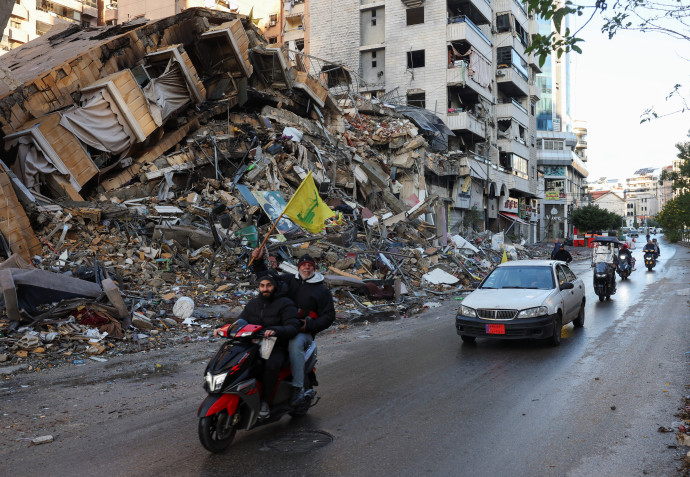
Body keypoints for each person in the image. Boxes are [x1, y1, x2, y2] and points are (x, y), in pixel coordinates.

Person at [252, 247, 335, 406]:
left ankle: (298, 389)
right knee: (261, 347)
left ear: (314, 268)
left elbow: (329, 316)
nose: (307, 268)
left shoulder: (322, 290)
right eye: (304, 265)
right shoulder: (289, 280)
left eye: (310, 265)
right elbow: (269, 278)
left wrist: (309, 325)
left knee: (294, 343)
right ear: (299, 267)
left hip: (302, 332)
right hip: (282, 326)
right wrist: (258, 261)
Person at [214, 271, 299, 418]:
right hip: (254, 344)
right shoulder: (254, 304)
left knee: (271, 365)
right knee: (235, 359)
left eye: (269, 285)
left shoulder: (286, 304)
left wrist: (275, 330)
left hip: (277, 346)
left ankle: (265, 401)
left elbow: (293, 327)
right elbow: (240, 321)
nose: (265, 289)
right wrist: (223, 328)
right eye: (262, 285)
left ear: (275, 286)